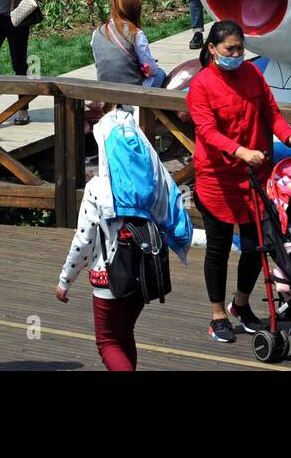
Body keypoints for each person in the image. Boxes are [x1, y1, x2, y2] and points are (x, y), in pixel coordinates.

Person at [185, 21, 291, 343]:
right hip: (218, 179)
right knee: (217, 249)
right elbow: (208, 131)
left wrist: (290, 137)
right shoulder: (201, 85)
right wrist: (240, 151)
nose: (236, 54)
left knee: (256, 246)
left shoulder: (253, 74)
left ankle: (241, 304)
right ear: (213, 49)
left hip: (255, 177)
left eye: (240, 49)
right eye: (230, 49)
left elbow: (271, 112)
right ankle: (217, 314)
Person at [56, 104, 192, 371]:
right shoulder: (152, 183)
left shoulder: (97, 188)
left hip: (110, 276)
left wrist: (64, 280)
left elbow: (84, 240)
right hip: (143, 273)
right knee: (125, 333)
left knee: (107, 341)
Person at [92, 0, 167, 89]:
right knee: (161, 74)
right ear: (135, 10)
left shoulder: (97, 32)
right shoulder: (136, 33)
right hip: (132, 89)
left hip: (105, 87)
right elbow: (151, 68)